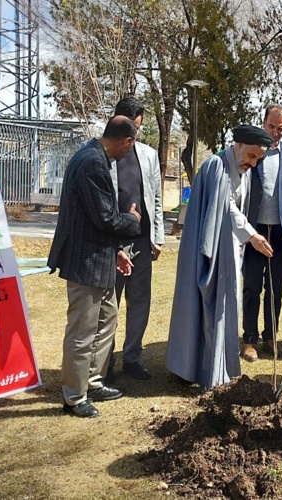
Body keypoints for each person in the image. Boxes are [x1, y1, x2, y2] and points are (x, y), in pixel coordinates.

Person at [47, 116, 143, 418]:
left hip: (101, 259)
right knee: (82, 331)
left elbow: (94, 218)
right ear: (126, 141)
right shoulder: (91, 163)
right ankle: (74, 397)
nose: (129, 152)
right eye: (131, 146)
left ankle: (93, 382)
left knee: (106, 320)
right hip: (85, 262)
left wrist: (116, 251)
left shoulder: (94, 157)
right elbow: (106, 218)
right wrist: (132, 220)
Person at [166, 125, 274, 389]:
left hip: (230, 249)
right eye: (251, 156)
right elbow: (226, 207)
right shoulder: (216, 166)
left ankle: (216, 366)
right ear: (238, 146)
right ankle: (194, 368)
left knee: (225, 308)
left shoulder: (244, 169)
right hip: (209, 252)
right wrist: (253, 235)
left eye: (258, 159)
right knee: (204, 306)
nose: (253, 163)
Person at [106, 97, 165, 382]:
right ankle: (105, 361)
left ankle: (132, 357)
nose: (134, 133)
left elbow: (156, 198)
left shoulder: (148, 155)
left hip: (142, 241)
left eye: (139, 127)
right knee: (109, 305)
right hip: (113, 243)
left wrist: (157, 237)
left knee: (140, 301)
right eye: (131, 127)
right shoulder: (105, 154)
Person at [240, 105, 282, 362]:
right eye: (271, 127)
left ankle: (270, 336)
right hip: (254, 231)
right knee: (252, 287)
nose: (275, 132)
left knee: (275, 289)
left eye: (281, 128)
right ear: (263, 123)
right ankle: (250, 340)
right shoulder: (253, 152)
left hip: (281, 233)